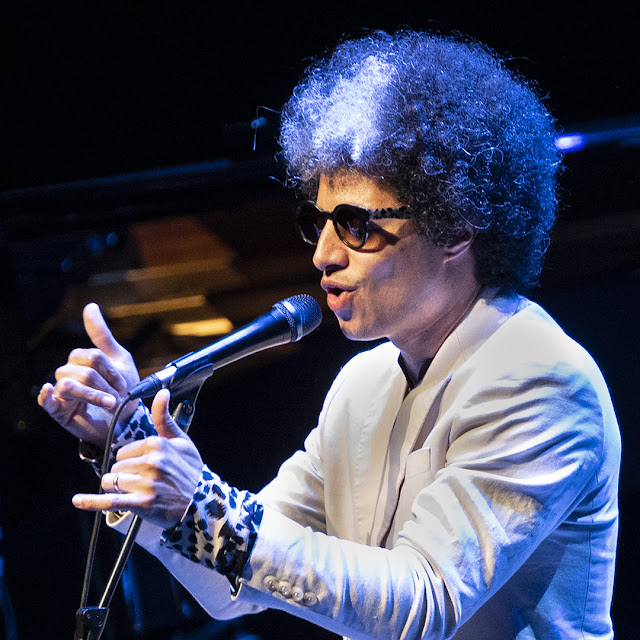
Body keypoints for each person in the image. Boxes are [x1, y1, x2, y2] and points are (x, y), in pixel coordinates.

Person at [38, 29, 620, 639]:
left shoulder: (537, 374)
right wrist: (130, 438)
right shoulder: (363, 385)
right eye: (317, 222)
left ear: (456, 228)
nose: (321, 255)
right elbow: (234, 590)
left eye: (355, 225)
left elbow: (424, 603)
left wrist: (208, 510)